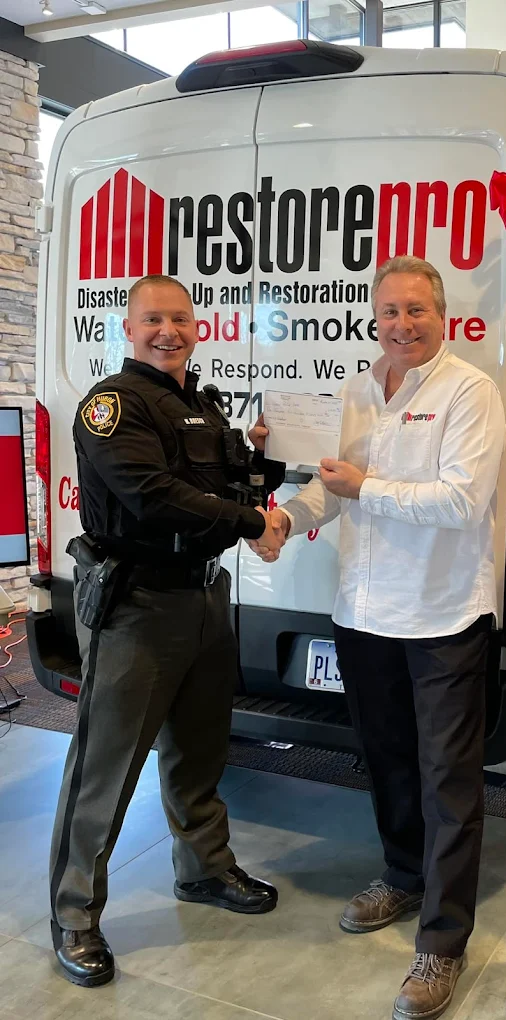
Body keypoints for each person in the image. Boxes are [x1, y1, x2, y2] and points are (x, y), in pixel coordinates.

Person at [256, 256, 506, 1020]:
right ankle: (402, 876)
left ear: (443, 314)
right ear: (374, 316)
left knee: (447, 781)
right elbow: (328, 486)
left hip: (440, 618)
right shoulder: (359, 390)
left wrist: (362, 488)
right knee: (386, 760)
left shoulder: (471, 391)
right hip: (361, 613)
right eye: (389, 311)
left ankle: (443, 941)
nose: (401, 324)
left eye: (416, 311)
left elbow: (462, 501)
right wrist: (285, 520)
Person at [49, 274, 286, 989]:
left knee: (199, 751)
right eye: (153, 319)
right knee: (105, 770)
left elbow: (229, 483)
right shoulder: (111, 405)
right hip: (137, 606)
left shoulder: (200, 405)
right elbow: (150, 495)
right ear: (129, 327)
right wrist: (251, 521)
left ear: (197, 326)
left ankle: (205, 872)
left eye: (180, 319)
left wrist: (259, 463)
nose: (168, 331)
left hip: (203, 598)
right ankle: (74, 917)